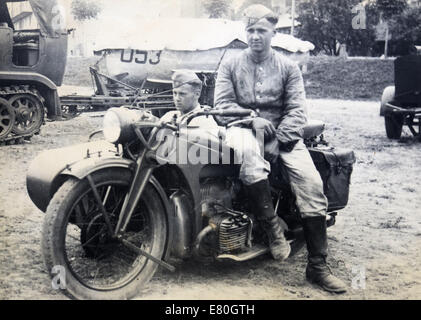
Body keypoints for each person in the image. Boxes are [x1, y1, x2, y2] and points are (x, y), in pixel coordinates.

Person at [214, 4, 347, 293]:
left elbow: (298, 110)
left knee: (311, 184)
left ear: (274, 32)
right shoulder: (230, 64)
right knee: (249, 154)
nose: (255, 36)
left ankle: (318, 266)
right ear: (244, 32)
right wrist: (251, 119)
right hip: (241, 130)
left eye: (262, 30)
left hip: (283, 136)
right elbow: (222, 107)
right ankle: (272, 226)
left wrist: (278, 139)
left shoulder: (288, 67)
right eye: (250, 30)